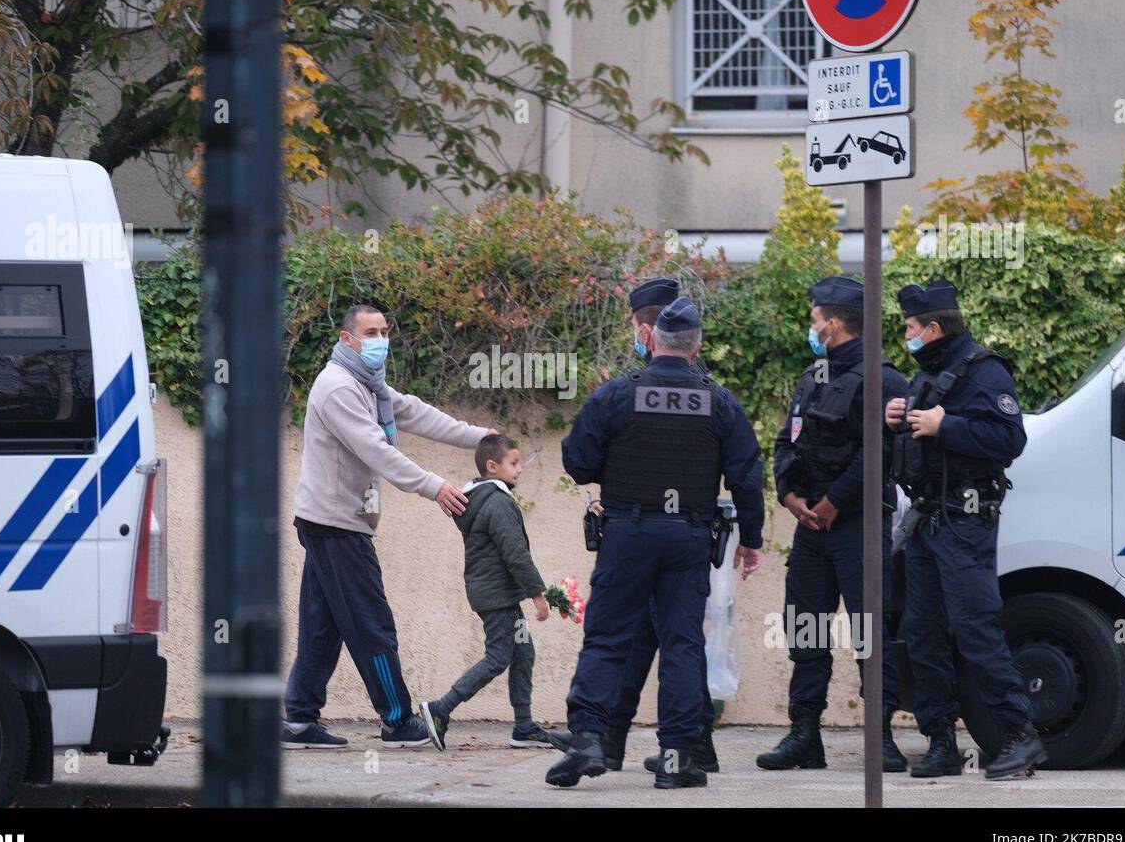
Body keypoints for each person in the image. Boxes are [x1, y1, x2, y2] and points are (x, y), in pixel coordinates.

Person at [546, 298, 765, 789]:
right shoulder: (719, 400)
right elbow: (747, 478)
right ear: (697, 346)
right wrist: (751, 539)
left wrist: (619, 471)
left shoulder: (618, 394)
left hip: (627, 531)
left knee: (606, 637)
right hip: (688, 536)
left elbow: (578, 462)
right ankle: (676, 757)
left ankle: (587, 737)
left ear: (652, 340)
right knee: (683, 642)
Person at [282, 304, 494, 750]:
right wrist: (434, 486)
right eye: (370, 332)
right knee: (371, 625)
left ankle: (298, 721)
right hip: (337, 525)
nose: (380, 339)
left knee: (324, 625)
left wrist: (481, 437)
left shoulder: (368, 384)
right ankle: (397, 721)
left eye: (384, 331)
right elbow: (377, 450)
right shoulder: (338, 388)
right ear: (347, 340)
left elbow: (416, 413)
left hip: (333, 522)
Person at [885, 279, 1045, 780]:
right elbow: (922, 441)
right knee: (923, 633)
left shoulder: (984, 370)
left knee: (975, 629)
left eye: (911, 327)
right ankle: (940, 744)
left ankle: (1021, 737)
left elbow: (1009, 438)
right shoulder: (928, 374)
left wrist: (943, 425)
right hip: (926, 521)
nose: (906, 336)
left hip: (965, 522)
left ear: (933, 328)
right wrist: (901, 420)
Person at [759, 275, 909, 772]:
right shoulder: (813, 375)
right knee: (805, 627)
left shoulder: (883, 378)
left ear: (836, 321)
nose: (812, 325)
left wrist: (832, 504)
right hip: (811, 527)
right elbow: (787, 442)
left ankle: (880, 737)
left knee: (870, 631)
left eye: (815, 317)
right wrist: (791, 496)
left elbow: (881, 452)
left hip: (858, 524)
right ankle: (805, 735)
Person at [601, 278, 722, 774]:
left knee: (671, 642)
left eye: (635, 327)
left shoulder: (660, 382)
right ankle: (612, 739)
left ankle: (690, 746)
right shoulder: (697, 380)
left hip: (651, 532)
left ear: (648, 330)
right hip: (681, 533)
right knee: (654, 641)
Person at [419, 434, 555, 751]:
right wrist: (537, 594)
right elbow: (516, 554)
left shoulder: (485, 498)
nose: (520, 469)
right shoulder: (497, 502)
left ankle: (523, 727)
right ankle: (439, 709)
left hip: (500, 595)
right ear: (492, 466)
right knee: (498, 657)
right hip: (497, 599)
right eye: (514, 463)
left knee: (523, 651)